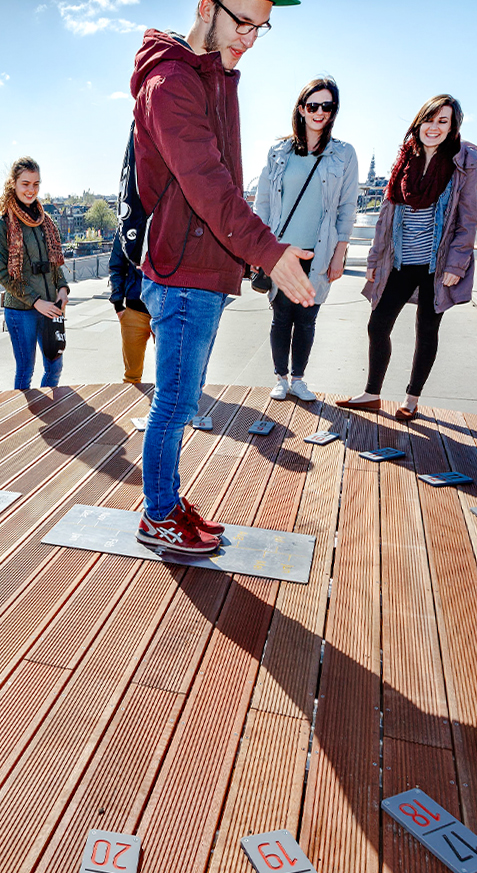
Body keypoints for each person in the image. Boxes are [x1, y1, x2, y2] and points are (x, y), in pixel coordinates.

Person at [129, 0, 314, 555]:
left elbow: (223, 180)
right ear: (207, 7)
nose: (252, 38)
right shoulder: (171, 81)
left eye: (262, 27)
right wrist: (267, 251)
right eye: (243, 23)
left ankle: (165, 501)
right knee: (174, 404)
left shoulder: (211, 75)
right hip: (185, 271)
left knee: (181, 401)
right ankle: (157, 514)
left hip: (203, 268)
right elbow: (208, 182)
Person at [340, 94, 477, 421]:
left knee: (426, 330)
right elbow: (385, 217)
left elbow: (468, 219)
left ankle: (411, 398)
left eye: (442, 121)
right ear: (419, 122)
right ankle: (372, 394)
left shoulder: (463, 165)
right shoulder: (405, 159)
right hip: (401, 261)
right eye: (429, 120)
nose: (434, 127)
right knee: (378, 325)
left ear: (452, 127)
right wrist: (375, 260)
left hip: (436, 266)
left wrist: (456, 264)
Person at [254, 76, 358, 402]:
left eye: (327, 106)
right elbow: (263, 204)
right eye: (313, 105)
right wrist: (259, 248)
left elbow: (346, 208)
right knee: (281, 316)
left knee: (307, 319)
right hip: (282, 251)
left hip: (319, 251)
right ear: (301, 109)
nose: (319, 112)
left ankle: (298, 379)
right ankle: (280, 379)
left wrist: (340, 252)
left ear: (333, 111)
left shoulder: (343, 155)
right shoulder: (279, 152)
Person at [0, 157, 70, 390]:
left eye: (36, 184)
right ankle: (24, 420)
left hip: (51, 307)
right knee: (26, 370)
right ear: (13, 184)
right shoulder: (2, 225)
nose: (31, 190)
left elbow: (55, 263)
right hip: (21, 310)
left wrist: (63, 289)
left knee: (55, 367)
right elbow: (4, 276)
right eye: (25, 184)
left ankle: (49, 414)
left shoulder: (45, 221)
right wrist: (36, 302)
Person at [108, 230, 151, 384]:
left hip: (166, 312)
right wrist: (118, 305)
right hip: (134, 311)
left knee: (169, 374)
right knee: (131, 376)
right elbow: (116, 266)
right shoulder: (127, 224)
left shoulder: (168, 216)